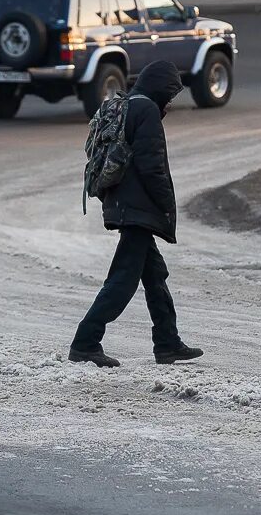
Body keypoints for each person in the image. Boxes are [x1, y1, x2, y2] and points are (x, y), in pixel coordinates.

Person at [69, 61, 202, 368]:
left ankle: (167, 343)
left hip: (123, 204)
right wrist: (167, 205)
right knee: (122, 280)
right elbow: (152, 166)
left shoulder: (126, 107)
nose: (170, 101)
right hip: (138, 210)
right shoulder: (147, 112)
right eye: (170, 93)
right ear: (160, 87)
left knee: (155, 276)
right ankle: (85, 342)